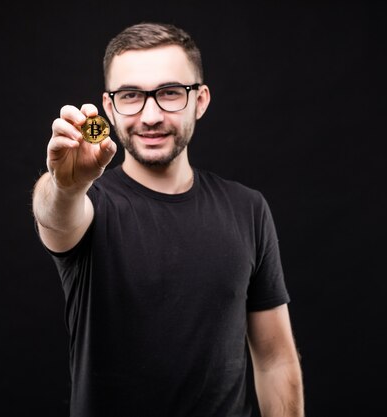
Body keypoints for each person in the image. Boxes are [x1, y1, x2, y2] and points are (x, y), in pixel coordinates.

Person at [32, 22, 304, 417]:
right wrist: (66, 186)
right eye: (131, 96)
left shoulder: (248, 209)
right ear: (109, 107)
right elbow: (53, 215)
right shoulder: (92, 206)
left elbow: (275, 359)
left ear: (200, 100)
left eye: (170, 93)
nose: (151, 115)